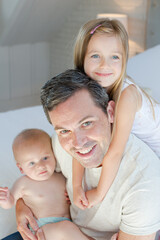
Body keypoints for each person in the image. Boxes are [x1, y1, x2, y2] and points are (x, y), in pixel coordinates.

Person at [15, 69, 160, 240]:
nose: (78, 143)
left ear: (110, 113)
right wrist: (21, 206)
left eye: (86, 123)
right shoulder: (60, 144)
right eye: (64, 130)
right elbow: (39, 173)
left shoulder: (144, 182)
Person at [72, 18, 160, 209]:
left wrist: (99, 193)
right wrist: (76, 186)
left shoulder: (127, 96)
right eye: (96, 56)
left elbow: (115, 151)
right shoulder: (86, 93)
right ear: (82, 58)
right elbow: (79, 139)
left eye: (115, 57)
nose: (105, 65)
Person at [0, 128, 92, 240]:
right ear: (21, 168)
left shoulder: (61, 176)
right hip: (41, 229)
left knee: (84, 234)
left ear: (54, 155)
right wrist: (5, 199)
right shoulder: (23, 182)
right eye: (32, 163)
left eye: (45, 158)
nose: (40, 165)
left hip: (68, 228)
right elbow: (10, 202)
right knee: (66, 228)